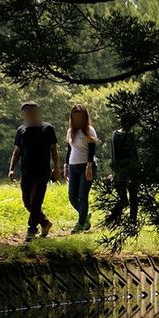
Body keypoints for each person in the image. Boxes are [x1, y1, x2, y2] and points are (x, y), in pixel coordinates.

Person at [8, 102, 61, 240]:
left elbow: (54, 149)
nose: (29, 114)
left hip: (42, 171)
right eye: (26, 112)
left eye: (31, 111)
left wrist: (57, 167)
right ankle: (44, 222)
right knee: (27, 202)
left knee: (36, 201)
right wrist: (11, 169)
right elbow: (17, 150)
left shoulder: (47, 128)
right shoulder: (21, 130)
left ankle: (32, 230)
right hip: (26, 171)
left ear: (37, 112)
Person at [64, 103, 98, 233]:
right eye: (75, 116)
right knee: (72, 197)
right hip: (73, 166)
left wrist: (89, 166)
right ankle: (85, 217)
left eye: (80, 117)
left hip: (86, 166)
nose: (77, 119)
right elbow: (69, 150)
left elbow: (92, 150)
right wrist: (66, 166)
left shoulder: (89, 130)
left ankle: (80, 223)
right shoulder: (70, 131)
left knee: (83, 196)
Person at [107, 125, 139, 225]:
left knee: (123, 199)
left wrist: (114, 171)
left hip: (119, 170)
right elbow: (134, 154)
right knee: (133, 196)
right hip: (130, 170)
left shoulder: (114, 134)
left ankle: (113, 217)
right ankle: (132, 219)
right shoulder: (130, 135)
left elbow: (113, 155)